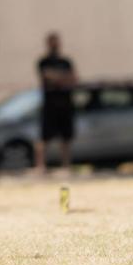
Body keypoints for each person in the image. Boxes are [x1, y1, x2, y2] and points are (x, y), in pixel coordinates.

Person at [34, 32, 77, 172]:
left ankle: (66, 165)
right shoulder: (43, 61)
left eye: (57, 42)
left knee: (66, 138)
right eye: (52, 42)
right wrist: (62, 78)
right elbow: (47, 77)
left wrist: (58, 78)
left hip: (65, 104)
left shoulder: (66, 62)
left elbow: (74, 79)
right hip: (50, 105)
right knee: (44, 137)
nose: (55, 45)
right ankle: (40, 166)